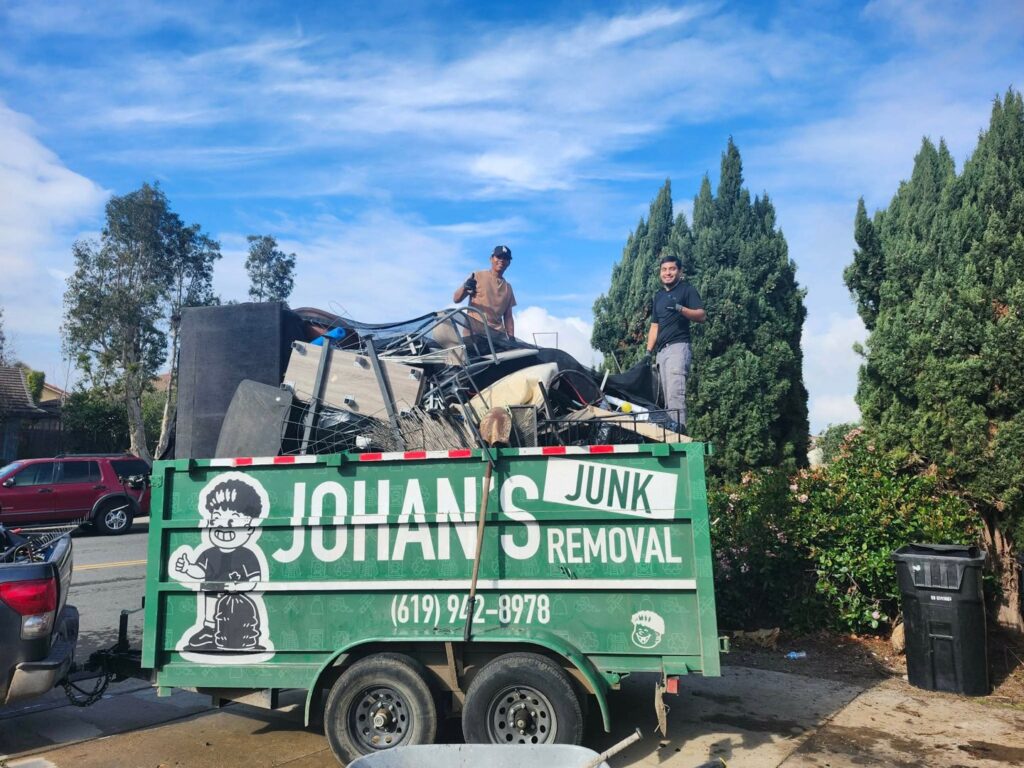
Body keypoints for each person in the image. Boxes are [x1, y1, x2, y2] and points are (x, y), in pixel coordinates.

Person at [645, 253, 705, 430]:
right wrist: (648, 352)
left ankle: (679, 435)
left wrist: (680, 308)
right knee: (664, 398)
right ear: (660, 273)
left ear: (680, 271)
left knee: (675, 394)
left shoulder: (687, 290)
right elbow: (654, 326)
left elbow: (701, 316)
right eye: (664, 269)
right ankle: (670, 433)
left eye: (672, 269)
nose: (668, 273)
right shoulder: (659, 296)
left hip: (678, 348)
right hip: (661, 352)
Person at [453, 245, 516, 337]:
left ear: (509, 263)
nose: (502, 260)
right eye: (498, 257)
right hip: (475, 335)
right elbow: (456, 299)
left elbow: (508, 317)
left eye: (505, 258)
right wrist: (465, 287)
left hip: (498, 337)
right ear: (491, 259)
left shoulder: (508, 288)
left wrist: (511, 337)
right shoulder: (477, 276)